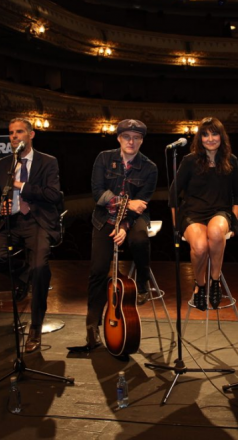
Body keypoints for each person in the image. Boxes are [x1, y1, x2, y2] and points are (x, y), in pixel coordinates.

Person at [78, 119, 158, 352]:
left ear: (142, 140)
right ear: (119, 138)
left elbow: (140, 206)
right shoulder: (103, 158)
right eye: (126, 137)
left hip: (134, 219)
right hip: (104, 218)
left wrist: (124, 226)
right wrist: (125, 203)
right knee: (98, 270)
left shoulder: (150, 167)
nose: (131, 141)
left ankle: (142, 283)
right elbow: (98, 194)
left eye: (136, 137)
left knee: (140, 239)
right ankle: (92, 326)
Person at [0, 118, 63, 354]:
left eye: (19, 132)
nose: (14, 136)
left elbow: (53, 195)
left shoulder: (47, 162)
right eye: (11, 133)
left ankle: (36, 328)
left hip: (38, 221)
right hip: (12, 222)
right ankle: (23, 274)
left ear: (31, 134)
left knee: (40, 267)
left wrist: (21, 186)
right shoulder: (1, 166)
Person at [169, 117, 238, 311]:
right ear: (200, 138)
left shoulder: (231, 160)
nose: (210, 138)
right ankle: (200, 285)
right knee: (200, 247)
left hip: (220, 212)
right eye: (205, 134)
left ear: (221, 136)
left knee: (216, 233)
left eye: (214, 133)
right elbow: (173, 195)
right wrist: (176, 227)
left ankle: (215, 281)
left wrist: (234, 222)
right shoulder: (189, 160)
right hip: (193, 212)